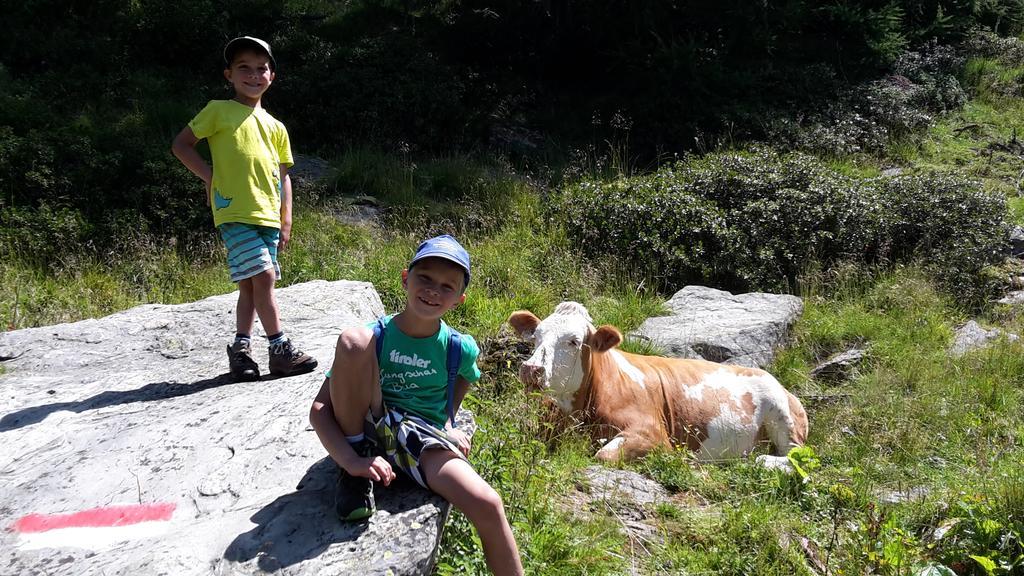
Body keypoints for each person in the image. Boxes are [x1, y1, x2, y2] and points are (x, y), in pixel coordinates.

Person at [309, 235, 524, 576]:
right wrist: (350, 460)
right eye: (424, 278)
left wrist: (449, 421)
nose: (433, 291)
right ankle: (356, 469)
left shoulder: (458, 347)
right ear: (405, 278)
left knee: (489, 503)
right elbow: (320, 409)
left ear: (459, 299)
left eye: (446, 286)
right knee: (351, 341)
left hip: (419, 436)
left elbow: (465, 376)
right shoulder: (372, 339)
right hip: (365, 425)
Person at [171, 36, 316, 381]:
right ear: (229, 75)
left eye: (261, 69)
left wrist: (286, 218)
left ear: (272, 76)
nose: (253, 75)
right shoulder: (217, 111)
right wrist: (210, 177)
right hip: (234, 212)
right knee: (264, 277)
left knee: (252, 287)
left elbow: (283, 176)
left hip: (267, 216)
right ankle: (280, 349)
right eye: (244, 68)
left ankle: (240, 350)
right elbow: (182, 145)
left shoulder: (276, 126)